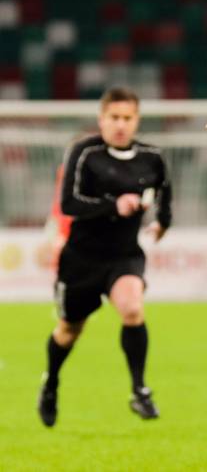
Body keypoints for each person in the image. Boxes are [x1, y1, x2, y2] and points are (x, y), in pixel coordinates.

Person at [37, 87, 172, 427]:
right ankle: (51, 383)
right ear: (102, 119)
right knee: (69, 330)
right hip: (81, 259)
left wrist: (163, 222)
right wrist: (114, 205)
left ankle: (139, 389)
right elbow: (68, 204)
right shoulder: (85, 152)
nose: (121, 124)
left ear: (137, 120)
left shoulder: (152, 157)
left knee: (132, 308)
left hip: (123, 255)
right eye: (114, 117)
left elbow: (164, 193)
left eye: (127, 118)